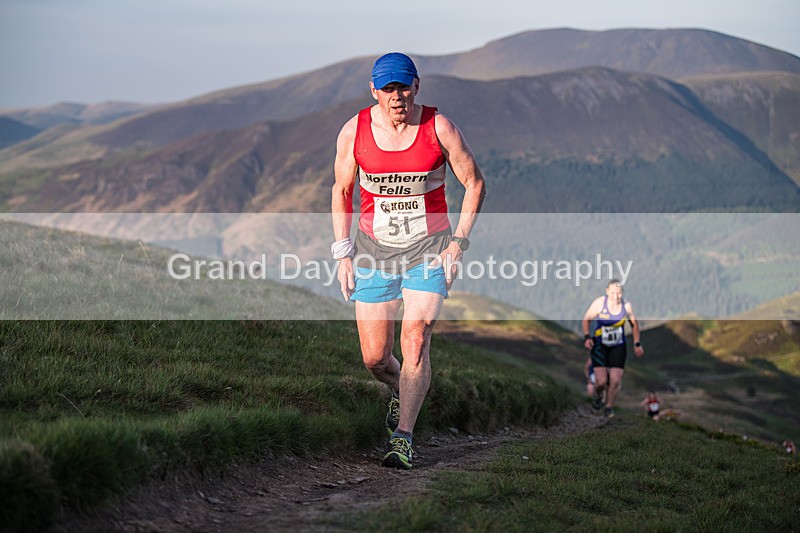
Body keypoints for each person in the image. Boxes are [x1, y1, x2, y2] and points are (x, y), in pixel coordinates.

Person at [331, 52, 486, 469]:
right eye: (388, 89)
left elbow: (474, 183)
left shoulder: (439, 127)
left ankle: (403, 437)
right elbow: (342, 190)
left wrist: (457, 245)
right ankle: (407, 392)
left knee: (415, 340)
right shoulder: (355, 131)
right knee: (375, 358)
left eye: (404, 86)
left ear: (417, 86)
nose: (397, 96)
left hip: (428, 250)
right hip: (373, 252)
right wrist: (342, 252)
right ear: (374, 91)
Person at [581, 279, 644, 418]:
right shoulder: (599, 303)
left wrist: (637, 343)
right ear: (607, 291)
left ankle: (609, 407)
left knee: (615, 380)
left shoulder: (626, 306)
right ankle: (598, 397)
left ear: (622, 293)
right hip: (599, 345)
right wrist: (587, 337)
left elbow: (634, 324)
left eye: (619, 293)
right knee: (601, 382)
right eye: (613, 293)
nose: (616, 296)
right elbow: (586, 319)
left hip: (618, 346)